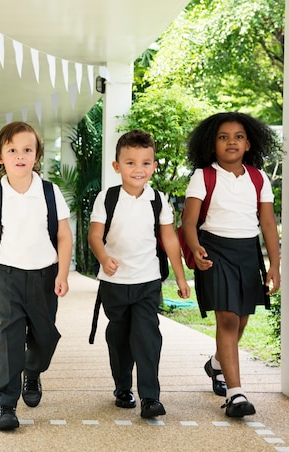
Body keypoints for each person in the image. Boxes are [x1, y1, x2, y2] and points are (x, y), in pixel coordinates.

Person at [182, 112, 280, 417]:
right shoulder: (204, 176)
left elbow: (267, 222)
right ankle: (236, 394)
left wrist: (274, 265)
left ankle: (216, 363)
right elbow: (188, 220)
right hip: (215, 250)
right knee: (226, 318)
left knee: (242, 318)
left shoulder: (258, 178)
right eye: (223, 137)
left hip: (248, 253)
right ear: (213, 145)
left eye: (238, 136)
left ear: (249, 143)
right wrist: (196, 247)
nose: (231, 142)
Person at [88, 129, 191, 419]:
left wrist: (180, 278)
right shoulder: (107, 198)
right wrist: (104, 258)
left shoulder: (158, 200)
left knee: (147, 336)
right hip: (114, 283)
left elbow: (170, 240)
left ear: (154, 166)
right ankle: (123, 387)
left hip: (147, 281)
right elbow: (95, 236)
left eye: (146, 163)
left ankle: (150, 397)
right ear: (117, 166)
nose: (138, 169)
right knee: (119, 337)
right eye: (130, 162)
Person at [0, 121, 73, 431]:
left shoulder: (49, 191)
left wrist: (62, 273)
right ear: (0, 156)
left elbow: (63, 235)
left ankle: (32, 371)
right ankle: (6, 403)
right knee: (9, 340)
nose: (20, 155)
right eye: (13, 150)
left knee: (45, 338)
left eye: (27, 150)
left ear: (37, 155)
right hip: (7, 278)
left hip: (45, 277)